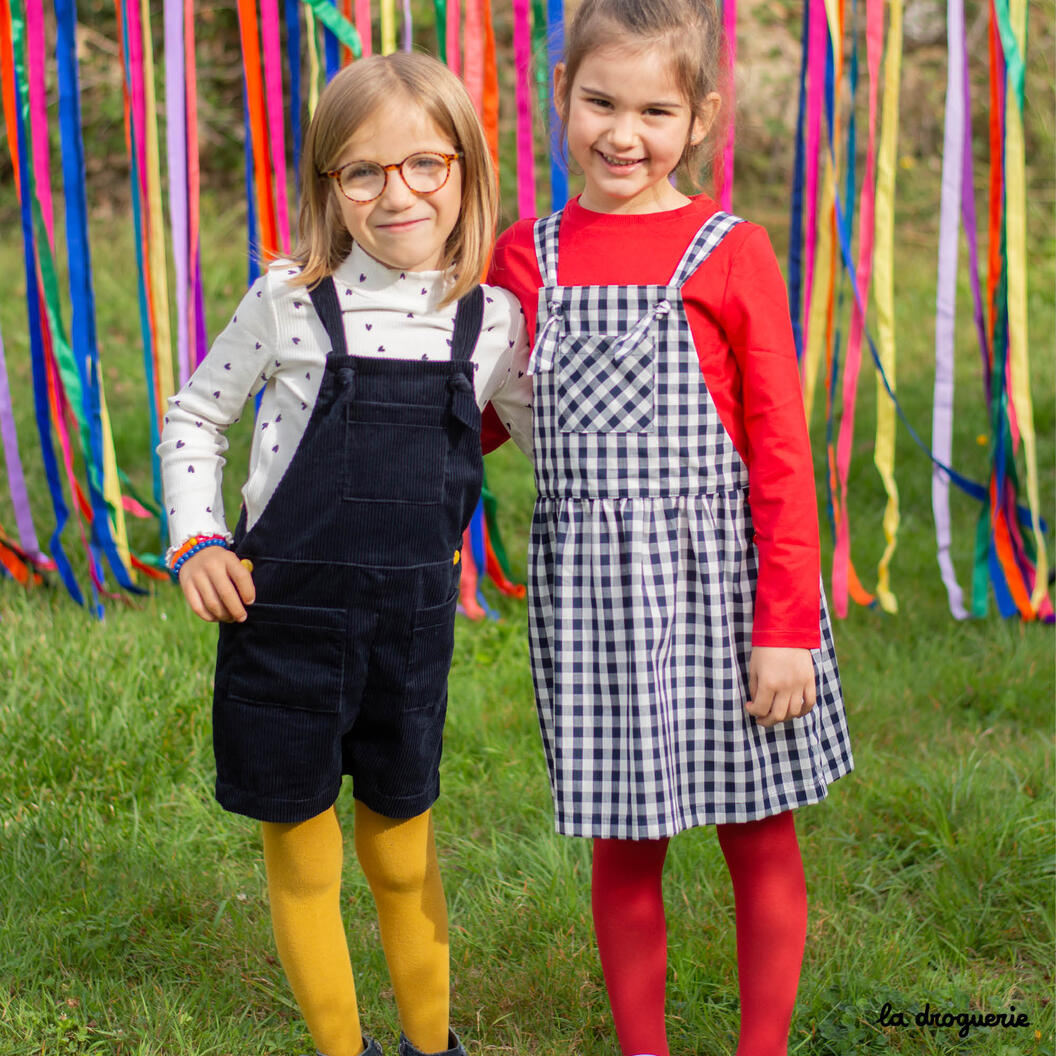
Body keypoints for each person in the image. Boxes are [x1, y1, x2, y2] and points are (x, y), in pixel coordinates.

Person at [485, 0, 853, 1052]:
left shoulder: (730, 251)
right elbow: (484, 424)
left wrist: (784, 625)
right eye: (599, 101)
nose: (622, 133)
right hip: (599, 601)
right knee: (625, 841)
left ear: (701, 119)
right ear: (561, 97)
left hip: (730, 588)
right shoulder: (527, 256)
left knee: (758, 830)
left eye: (655, 109)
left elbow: (781, 451)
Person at [159, 53, 530, 1056]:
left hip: (410, 636)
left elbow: (552, 440)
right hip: (282, 624)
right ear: (328, 183)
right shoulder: (289, 298)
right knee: (303, 851)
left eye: (425, 164)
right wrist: (197, 539)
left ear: (465, 171)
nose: (395, 192)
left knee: (401, 852)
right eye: (360, 171)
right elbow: (196, 414)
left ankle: (429, 1042)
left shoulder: (492, 322)